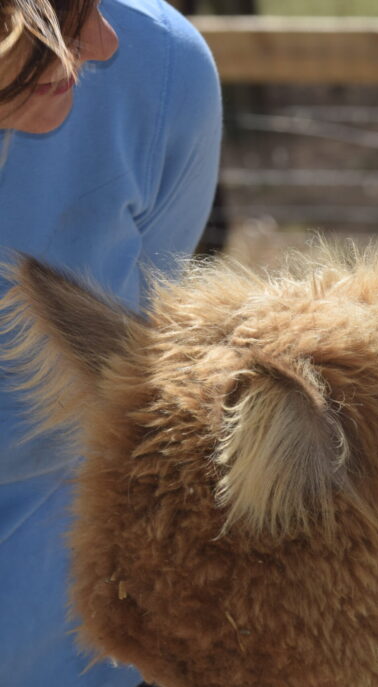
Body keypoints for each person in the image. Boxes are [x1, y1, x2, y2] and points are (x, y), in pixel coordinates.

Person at [0, 0, 221, 684]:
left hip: (64, 635)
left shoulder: (158, 76)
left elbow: (135, 393)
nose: (100, 41)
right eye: (51, 19)